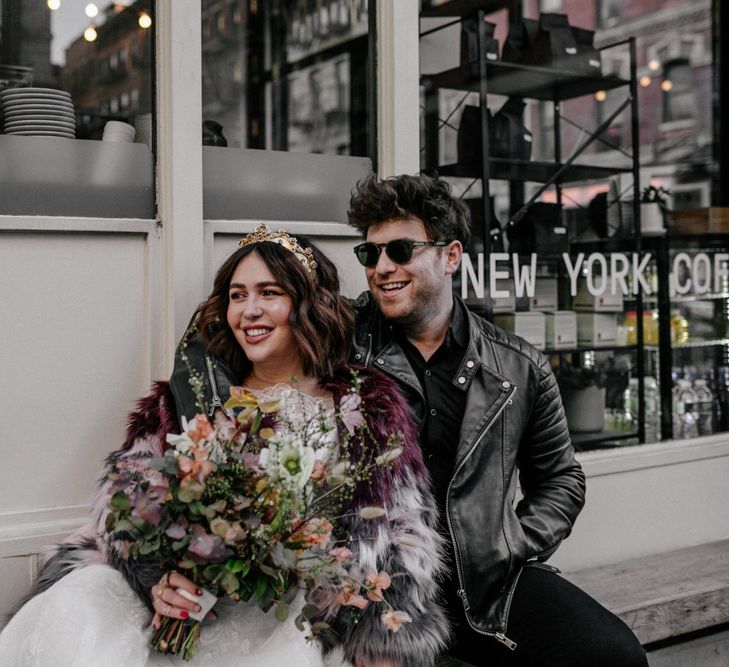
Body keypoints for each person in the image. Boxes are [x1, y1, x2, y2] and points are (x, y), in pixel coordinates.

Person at [171, 174, 648, 666]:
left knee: (614, 656)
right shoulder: (340, 335)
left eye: (400, 250)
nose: (381, 268)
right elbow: (223, 337)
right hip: (374, 585)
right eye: (370, 254)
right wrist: (206, 452)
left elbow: (561, 479)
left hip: (485, 583)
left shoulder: (517, 365)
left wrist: (512, 541)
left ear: (451, 255)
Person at [0, 226, 449, 667]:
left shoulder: (363, 405)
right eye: (237, 295)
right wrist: (159, 579)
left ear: (309, 304)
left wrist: (383, 640)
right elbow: (126, 508)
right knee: (80, 605)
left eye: (269, 293)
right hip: (189, 609)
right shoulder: (188, 398)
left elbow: (399, 537)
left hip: (288, 617)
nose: (249, 311)